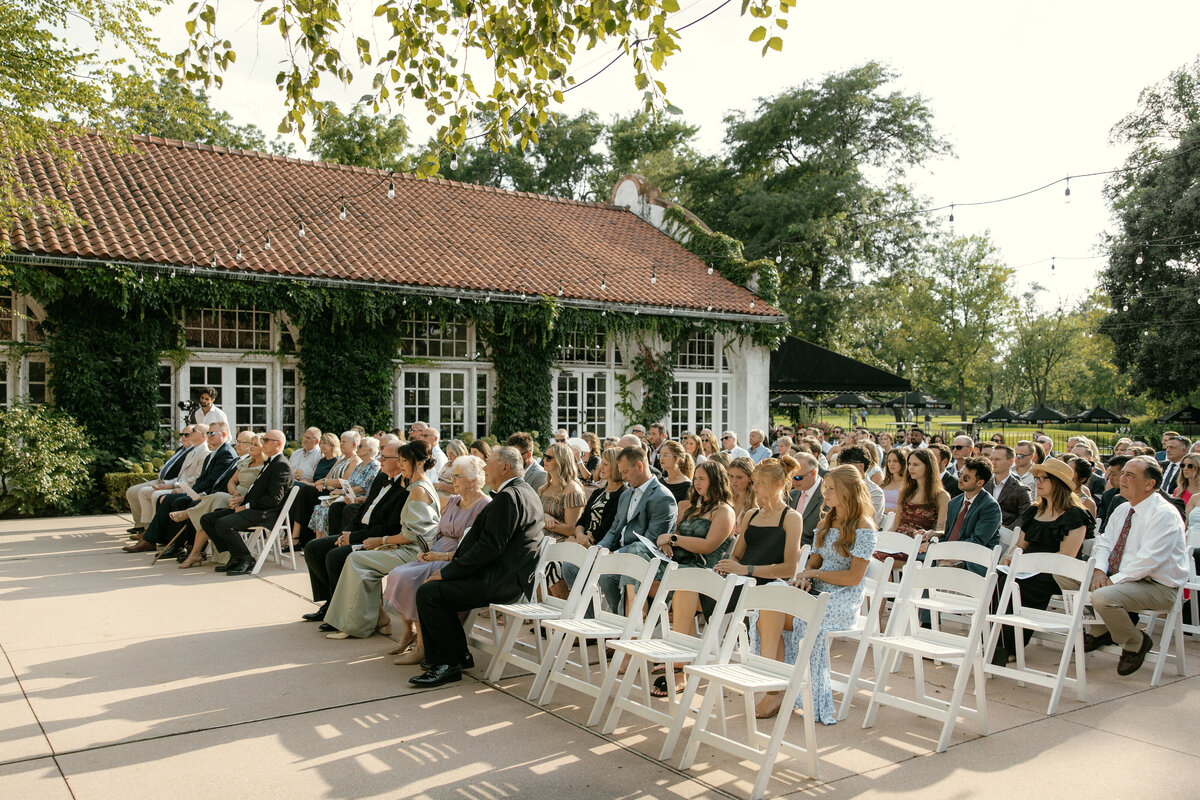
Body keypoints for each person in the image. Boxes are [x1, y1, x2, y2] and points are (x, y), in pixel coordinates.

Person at [410, 446, 545, 687]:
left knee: (429, 593)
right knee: (435, 589)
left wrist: (447, 572)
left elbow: (488, 549)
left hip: (502, 582)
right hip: (508, 576)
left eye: (488, 462)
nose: (484, 467)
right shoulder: (524, 491)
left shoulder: (509, 497)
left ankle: (446, 664)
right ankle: (459, 655)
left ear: (504, 467)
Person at [770, 465, 878, 724]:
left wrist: (815, 575)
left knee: (792, 616)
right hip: (818, 591)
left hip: (843, 599)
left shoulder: (864, 527)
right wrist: (805, 579)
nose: (825, 493)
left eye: (831, 489)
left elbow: (853, 578)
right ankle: (778, 684)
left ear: (848, 492)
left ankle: (788, 690)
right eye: (825, 488)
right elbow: (814, 563)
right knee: (771, 604)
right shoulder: (826, 522)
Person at [1078, 457, 1189, 675]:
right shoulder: (1123, 508)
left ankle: (1135, 641)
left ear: (1149, 484)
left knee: (1102, 597)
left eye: (1130, 475)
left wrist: (1110, 581)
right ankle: (1101, 628)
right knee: (1068, 578)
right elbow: (1105, 543)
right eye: (1123, 473)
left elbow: (1148, 561)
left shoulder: (1164, 514)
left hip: (1157, 586)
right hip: (1122, 578)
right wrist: (1099, 572)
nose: (1122, 478)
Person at [323, 439, 440, 639]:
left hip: (412, 552)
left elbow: (411, 535)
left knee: (355, 560)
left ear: (419, 463)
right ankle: (374, 619)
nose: (401, 465)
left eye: (404, 461)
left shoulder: (419, 490)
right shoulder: (414, 486)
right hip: (407, 547)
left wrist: (380, 541)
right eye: (400, 460)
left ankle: (356, 625)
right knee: (356, 559)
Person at [715, 455, 803, 718]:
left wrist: (746, 570)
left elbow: (789, 569)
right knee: (694, 588)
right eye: (754, 482)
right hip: (743, 580)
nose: (754, 487)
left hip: (769, 583)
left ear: (778, 484)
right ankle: (683, 664)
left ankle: (772, 690)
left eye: (760, 483)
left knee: (766, 607)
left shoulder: (791, 517)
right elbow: (737, 555)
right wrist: (727, 566)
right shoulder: (751, 514)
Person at [383, 454, 490, 665]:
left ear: (473, 481)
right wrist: (428, 550)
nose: (453, 480)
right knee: (397, 573)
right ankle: (409, 631)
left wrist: (439, 556)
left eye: (458, 476)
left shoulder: (485, 506)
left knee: (411, 579)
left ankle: (422, 646)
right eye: (453, 475)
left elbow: (473, 548)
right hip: (435, 553)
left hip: (454, 560)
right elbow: (439, 532)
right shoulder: (453, 501)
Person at [990, 458, 1091, 665]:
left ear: (1058, 483)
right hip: (1027, 568)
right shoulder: (1034, 511)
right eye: (1037, 478)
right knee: (999, 577)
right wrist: (1011, 557)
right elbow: (1021, 545)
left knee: (1021, 585)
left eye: (1044, 478)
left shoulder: (1075, 515)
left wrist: (1029, 565)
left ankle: (1011, 646)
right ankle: (992, 641)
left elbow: (1066, 556)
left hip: (1057, 572)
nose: (1039, 482)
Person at [300, 441, 409, 624]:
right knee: (313, 548)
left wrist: (353, 537)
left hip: (378, 539)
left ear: (400, 461)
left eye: (385, 457)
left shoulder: (406, 487)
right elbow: (362, 510)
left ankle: (341, 612)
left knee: (335, 556)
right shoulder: (381, 478)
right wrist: (347, 532)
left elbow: (389, 528)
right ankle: (330, 603)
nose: (380, 460)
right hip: (361, 531)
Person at [654, 460, 737, 696]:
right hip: (682, 567)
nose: (697, 483)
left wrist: (673, 539)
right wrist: (665, 543)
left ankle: (678, 666)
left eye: (702, 479)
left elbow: (708, 545)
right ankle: (649, 643)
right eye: (696, 478)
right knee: (645, 578)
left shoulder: (724, 511)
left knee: (683, 586)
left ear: (715, 481)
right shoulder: (691, 508)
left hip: (708, 574)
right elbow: (671, 536)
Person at [126, 423, 234, 553]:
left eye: (212, 433)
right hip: (197, 490)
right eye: (208, 433)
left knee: (178, 501)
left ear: (224, 435)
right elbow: (202, 479)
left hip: (209, 494)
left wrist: (194, 492)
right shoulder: (214, 452)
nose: (209, 436)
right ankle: (160, 541)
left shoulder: (225, 453)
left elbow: (212, 480)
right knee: (168, 499)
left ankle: (176, 544)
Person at [595, 446, 678, 613]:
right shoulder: (626, 494)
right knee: (572, 567)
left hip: (643, 560)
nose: (623, 477)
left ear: (640, 466)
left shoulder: (663, 497)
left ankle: (625, 620)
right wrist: (600, 548)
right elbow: (614, 529)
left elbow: (650, 542)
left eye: (625, 472)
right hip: (617, 555)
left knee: (606, 577)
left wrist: (614, 555)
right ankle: (589, 619)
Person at [202, 430, 295, 575]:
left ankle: (246, 559)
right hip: (254, 508)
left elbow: (273, 499)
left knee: (224, 524)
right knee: (207, 519)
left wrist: (246, 506)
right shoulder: (270, 462)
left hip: (265, 513)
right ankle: (235, 556)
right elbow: (257, 491)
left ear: (278, 444)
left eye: (266, 440)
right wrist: (241, 500)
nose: (263, 443)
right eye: (263, 440)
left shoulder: (281, 465)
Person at [175, 429, 263, 568]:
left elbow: (260, 489)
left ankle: (188, 517)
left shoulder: (265, 466)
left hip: (245, 501)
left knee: (214, 498)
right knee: (207, 513)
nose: (238, 445)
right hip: (232, 495)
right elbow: (231, 481)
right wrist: (234, 491)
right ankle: (195, 552)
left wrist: (240, 498)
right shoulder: (244, 462)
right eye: (238, 441)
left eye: (252, 444)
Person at [920, 456, 1001, 570]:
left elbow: (977, 542)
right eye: (960, 474)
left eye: (966, 478)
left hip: (973, 561)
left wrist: (946, 552)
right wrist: (932, 544)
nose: (960, 479)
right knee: (915, 560)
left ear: (980, 483)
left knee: (940, 568)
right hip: (947, 555)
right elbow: (947, 534)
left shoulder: (990, 507)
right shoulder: (954, 502)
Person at [124, 426, 198, 537]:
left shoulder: (194, 452)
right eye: (181, 434)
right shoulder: (181, 450)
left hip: (173, 483)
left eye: (186, 435)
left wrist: (168, 484)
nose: (183, 437)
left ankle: (152, 531)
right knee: (133, 491)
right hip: (163, 481)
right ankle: (143, 527)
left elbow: (185, 477)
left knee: (152, 494)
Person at [293, 430, 361, 544]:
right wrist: (323, 482)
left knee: (306, 491)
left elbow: (344, 481)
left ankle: (301, 538)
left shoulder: (355, 460)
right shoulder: (340, 460)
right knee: (304, 491)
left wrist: (325, 482)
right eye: (341, 441)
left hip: (337, 494)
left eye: (344, 442)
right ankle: (302, 538)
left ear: (353, 444)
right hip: (328, 491)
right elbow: (326, 478)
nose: (341, 444)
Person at [307, 437, 379, 539]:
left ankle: (341, 539)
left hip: (360, 499)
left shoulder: (374, 465)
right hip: (349, 496)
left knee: (344, 508)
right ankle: (332, 539)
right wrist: (341, 491)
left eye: (360, 446)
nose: (357, 448)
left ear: (370, 450)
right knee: (334, 507)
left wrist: (342, 492)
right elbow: (349, 483)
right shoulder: (360, 465)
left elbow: (363, 487)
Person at [894, 447, 949, 543]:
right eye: (909, 464)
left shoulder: (941, 496)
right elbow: (895, 525)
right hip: (897, 540)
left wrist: (930, 533)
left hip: (919, 543)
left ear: (928, 467)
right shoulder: (904, 492)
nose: (911, 468)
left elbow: (941, 529)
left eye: (916, 464)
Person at [538, 442, 586, 540]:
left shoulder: (572, 490)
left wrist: (542, 522)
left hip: (559, 543)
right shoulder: (545, 487)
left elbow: (571, 529)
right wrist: (544, 516)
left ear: (561, 461)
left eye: (549, 458)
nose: (544, 460)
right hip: (539, 538)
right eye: (544, 456)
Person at [984, 444, 1034, 529]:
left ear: (1011, 462)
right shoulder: (984, 486)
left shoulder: (1021, 489)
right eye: (991, 459)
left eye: (997, 459)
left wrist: (1005, 531)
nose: (993, 462)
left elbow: (1025, 516)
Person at [835, 445, 885, 527]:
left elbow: (870, 524)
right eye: (841, 466)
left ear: (861, 466)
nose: (842, 469)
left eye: (847, 466)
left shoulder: (875, 492)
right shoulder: (838, 488)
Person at [787, 452, 824, 548]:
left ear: (813, 473)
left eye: (798, 477)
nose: (793, 481)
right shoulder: (792, 495)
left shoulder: (828, 496)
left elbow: (825, 540)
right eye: (791, 476)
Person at [659, 440, 694, 509]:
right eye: (660, 455)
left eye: (665, 455)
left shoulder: (687, 486)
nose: (661, 458)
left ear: (677, 459)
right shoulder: (660, 482)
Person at [878, 448, 906, 518]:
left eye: (895, 461)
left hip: (895, 518)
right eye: (889, 461)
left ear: (902, 463)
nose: (891, 464)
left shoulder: (907, 484)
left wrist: (891, 511)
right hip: (879, 517)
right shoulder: (882, 483)